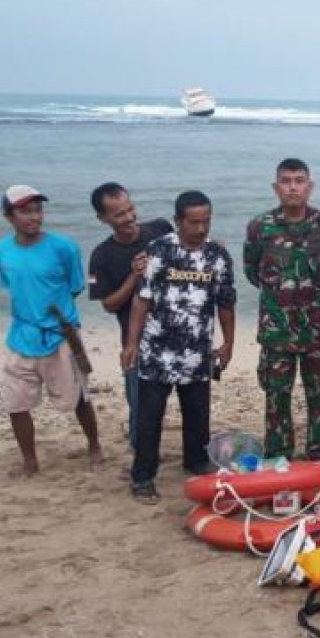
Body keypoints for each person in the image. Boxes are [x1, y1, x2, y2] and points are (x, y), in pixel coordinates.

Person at [121, 191, 236, 505]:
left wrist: (228, 344)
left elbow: (225, 303)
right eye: (194, 222)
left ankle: (196, 462)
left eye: (206, 221)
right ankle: (143, 477)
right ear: (178, 221)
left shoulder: (218, 256)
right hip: (157, 351)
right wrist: (131, 343)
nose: (201, 229)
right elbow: (142, 299)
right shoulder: (159, 250)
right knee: (150, 418)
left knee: (198, 416)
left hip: (198, 352)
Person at [0, 185, 103, 476]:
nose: (34, 217)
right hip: (21, 335)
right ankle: (29, 461)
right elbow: (11, 285)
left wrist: (55, 315)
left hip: (60, 335)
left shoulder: (63, 247)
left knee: (78, 397)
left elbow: (76, 286)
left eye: (37, 210)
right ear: (9, 216)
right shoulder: (1, 251)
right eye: (25, 211)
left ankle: (94, 445)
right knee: (15, 403)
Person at [244, 159, 320, 461]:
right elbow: (252, 271)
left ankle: (319, 452)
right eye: (286, 181)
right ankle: (278, 453)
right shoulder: (260, 227)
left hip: (317, 331)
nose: (293, 187)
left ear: (309, 186)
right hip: (277, 332)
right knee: (276, 397)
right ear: (276, 187)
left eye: (299, 180)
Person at [87, 182, 172, 449]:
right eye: (119, 214)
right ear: (103, 219)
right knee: (139, 403)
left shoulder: (161, 229)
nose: (129, 218)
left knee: (190, 398)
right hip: (136, 340)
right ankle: (141, 454)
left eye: (130, 209)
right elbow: (108, 305)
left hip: (176, 333)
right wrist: (133, 276)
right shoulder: (101, 256)